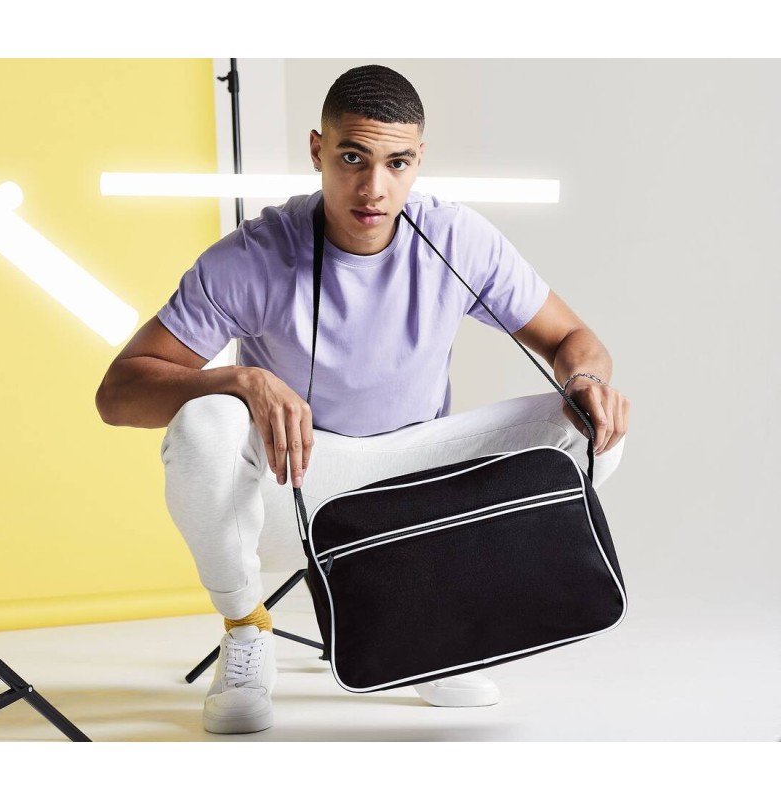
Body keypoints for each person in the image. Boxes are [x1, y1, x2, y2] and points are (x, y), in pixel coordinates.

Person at [95, 64, 629, 735]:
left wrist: (585, 381)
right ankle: (247, 628)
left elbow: (575, 340)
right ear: (317, 150)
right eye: (352, 158)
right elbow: (118, 395)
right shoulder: (254, 255)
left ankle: (440, 625)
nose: (374, 188)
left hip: (420, 476)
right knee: (204, 420)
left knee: (585, 423)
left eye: (396, 163)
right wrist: (237, 379)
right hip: (298, 479)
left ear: (418, 161)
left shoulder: (457, 237)